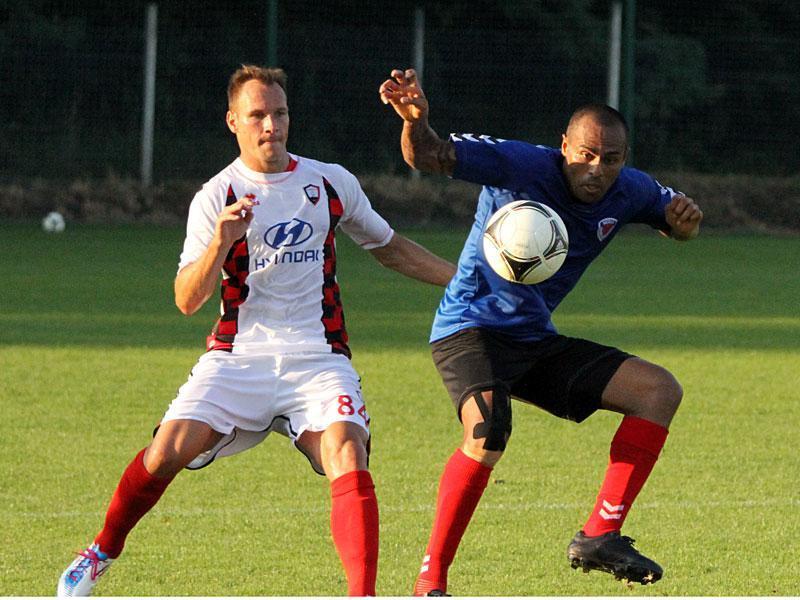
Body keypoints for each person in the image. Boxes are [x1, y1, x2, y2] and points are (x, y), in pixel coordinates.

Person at [57, 65, 456, 597]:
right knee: (166, 449)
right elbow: (186, 300)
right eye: (258, 115)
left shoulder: (329, 182)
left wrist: (465, 280)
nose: (272, 125)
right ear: (233, 122)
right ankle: (102, 550)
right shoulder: (215, 196)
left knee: (347, 450)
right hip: (238, 358)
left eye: (280, 113)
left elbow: (391, 248)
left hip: (318, 358)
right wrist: (221, 240)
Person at [379, 68, 703, 595]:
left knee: (658, 391)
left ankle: (600, 536)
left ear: (624, 158)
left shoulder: (630, 189)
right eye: (586, 154)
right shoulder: (520, 164)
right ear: (564, 146)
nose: (596, 169)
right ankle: (430, 582)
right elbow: (428, 156)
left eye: (611, 159)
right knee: (487, 432)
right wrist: (415, 122)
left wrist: (685, 226)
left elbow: (676, 220)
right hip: (468, 328)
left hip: (533, 339)